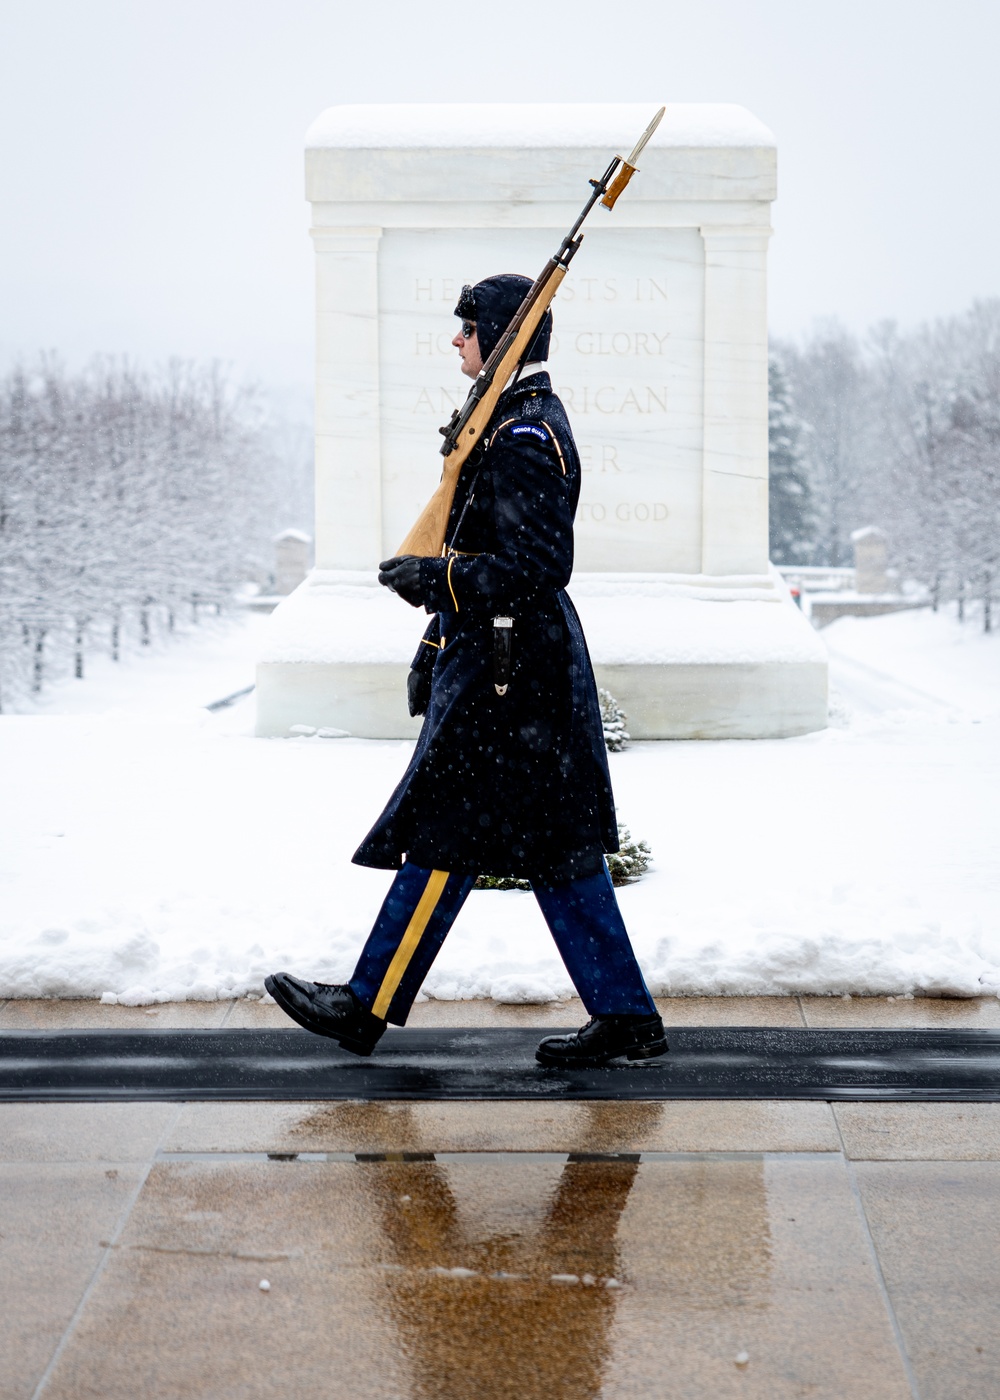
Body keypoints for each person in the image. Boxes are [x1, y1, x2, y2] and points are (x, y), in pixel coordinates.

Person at [266, 274, 666, 1068]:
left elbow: (537, 565)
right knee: (553, 848)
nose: (456, 340)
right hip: (502, 663)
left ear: (502, 337)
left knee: (450, 837)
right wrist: (431, 644)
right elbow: (482, 551)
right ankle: (624, 1017)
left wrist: (435, 585)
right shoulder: (505, 423)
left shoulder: (525, 435)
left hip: (512, 674)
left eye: (468, 327)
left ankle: (366, 1005)